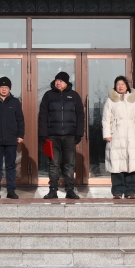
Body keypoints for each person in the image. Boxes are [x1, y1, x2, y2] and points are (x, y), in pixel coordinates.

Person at [38, 71, 84, 199]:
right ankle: (53, 190)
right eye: (57, 80)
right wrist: (43, 134)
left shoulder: (74, 96)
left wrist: (79, 133)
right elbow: (42, 116)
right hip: (52, 136)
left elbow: (80, 116)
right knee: (54, 164)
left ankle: (70, 190)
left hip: (69, 135)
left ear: (67, 82)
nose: (58, 83)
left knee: (69, 164)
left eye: (61, 81)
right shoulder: (48, 95)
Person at [102, 75, 135, 200]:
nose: (120, 86)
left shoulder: (134, 101)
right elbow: (106, 119)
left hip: (131, 136)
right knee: (116, 165)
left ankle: (130, 191)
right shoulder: (110, 101)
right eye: (118, 84)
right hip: (115, 135)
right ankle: (117, 191)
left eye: (122, 84)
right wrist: (107, 134)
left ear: (127, 86)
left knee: (131, 164)